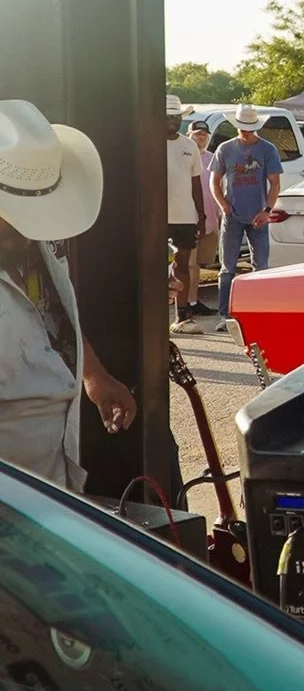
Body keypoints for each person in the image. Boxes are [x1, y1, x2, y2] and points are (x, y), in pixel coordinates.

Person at [0, 100, 136, 489]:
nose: (28, 229)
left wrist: (94, 375)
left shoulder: (33, 240)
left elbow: (50, 313)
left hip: (51, 477)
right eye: (14, 214)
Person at [210, 104, 283, 330]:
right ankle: (225, 315)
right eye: (243, 128)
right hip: (233, 214)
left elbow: (275, 183)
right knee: (227, 267)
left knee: (260, 265)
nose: (246, 132)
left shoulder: (267, 149)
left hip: (258, 214)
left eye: (250, 128)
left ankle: (259, 311)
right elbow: (214, 181)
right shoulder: (225, 149)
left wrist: (267, 210)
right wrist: (223, 204)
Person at [164, 95, 205, 333]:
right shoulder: (150, 143)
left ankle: (182, 316)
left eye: (176, 117)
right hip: (158, 216)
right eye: (168, 117)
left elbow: (196, 183)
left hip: (185, 215)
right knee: (154, 265)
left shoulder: (189, 145)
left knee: (182, 263)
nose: (172, 121)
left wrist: (202, 215)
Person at [188, 120, 220, 314]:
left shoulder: (212, 158)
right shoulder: (184, 156)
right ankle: (187, 304)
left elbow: (219, 185)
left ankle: (195, 300)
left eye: (204, 134)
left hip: (211, 221)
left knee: (199, 264)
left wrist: (220, 214)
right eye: (197, 133)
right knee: (187, 264)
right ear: (190, 134)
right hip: (189, 221)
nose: (201, 137)